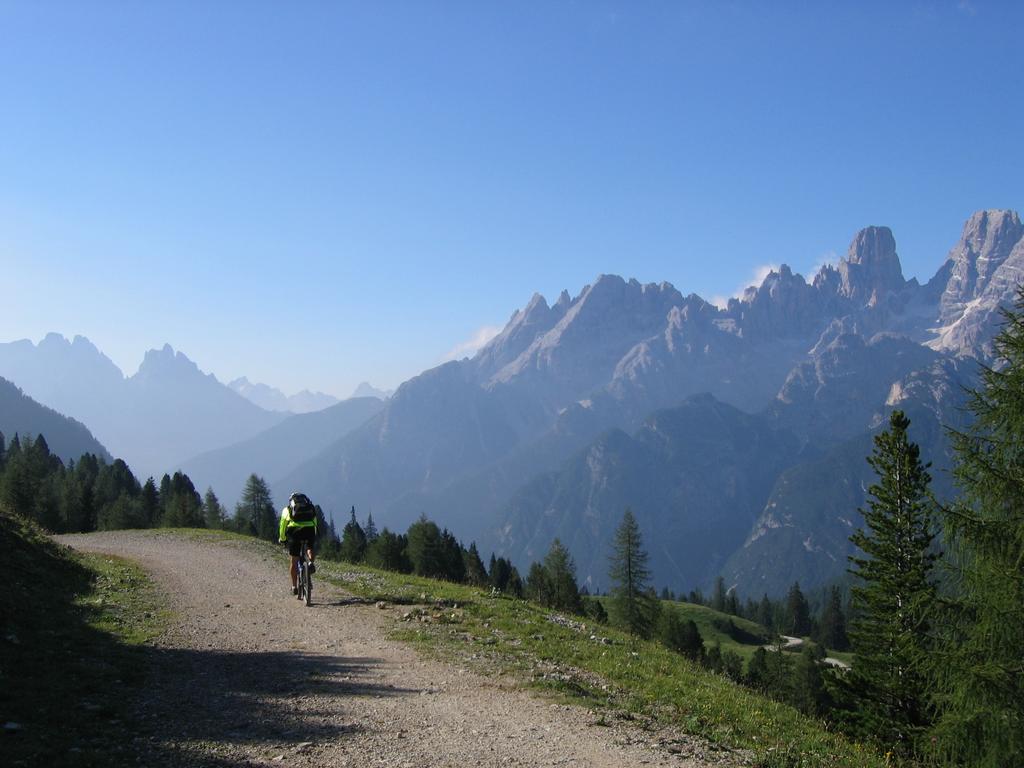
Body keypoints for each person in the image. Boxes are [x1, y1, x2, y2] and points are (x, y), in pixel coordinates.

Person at [278, 491, 318, 595]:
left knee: (294, 560)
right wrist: (313, 536)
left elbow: (283, 525)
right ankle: (310, 563)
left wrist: (282, 538)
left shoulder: (287, 510)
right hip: (309, 530)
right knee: (309, 548)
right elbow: (315, 522)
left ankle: (294, 587)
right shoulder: (310, 507)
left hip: (295, 532)